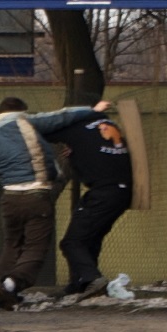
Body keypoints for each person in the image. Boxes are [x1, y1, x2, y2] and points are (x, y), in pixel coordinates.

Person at [0, 97, 110, 311]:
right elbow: (63, 116)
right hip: (37, 194)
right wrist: (93, 110)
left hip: (10, 198)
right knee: (35, 247)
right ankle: (11, 284)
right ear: (22, 111)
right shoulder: (26, 122)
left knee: (12, 243)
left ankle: (5, 290)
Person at [43, 114, 133, 299]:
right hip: (121, 192)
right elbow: (96, 154)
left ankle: (93, 279)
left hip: (103, 193)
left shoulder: (75, 129)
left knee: (72, 242)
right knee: (90, 239)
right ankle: (80, 284)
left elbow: (44, 131)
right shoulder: (103, 125)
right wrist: (76, 152)